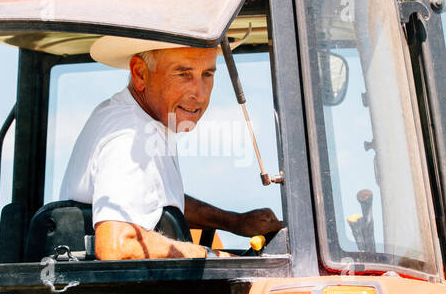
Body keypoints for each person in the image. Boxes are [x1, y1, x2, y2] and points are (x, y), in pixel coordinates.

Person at [60, 37, 283, 260]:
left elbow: (151, 199)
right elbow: (117, 246)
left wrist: (233, 221)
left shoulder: (138, 120)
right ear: (140, 73)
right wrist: (213, 257)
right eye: (183, 74)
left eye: (207, 74)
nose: (201, 94)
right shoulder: (130, 136)